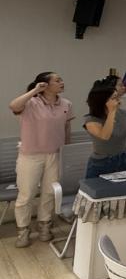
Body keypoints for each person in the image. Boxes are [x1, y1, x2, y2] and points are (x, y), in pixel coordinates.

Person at [8, 72, 74, 247]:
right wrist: (35, 91)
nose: (62, 82)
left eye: (61, 79)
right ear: (45, 84)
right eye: (57, 80)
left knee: (50, 193)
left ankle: (45, 226)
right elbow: (13, 105)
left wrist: (67, 150)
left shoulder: (66, 104)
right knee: (26, 194)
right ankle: (23, 231)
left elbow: (67, 128)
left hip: (55, 154)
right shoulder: (31, 102)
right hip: (30, 155)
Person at [84, 80, 126, 179]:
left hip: (124, 158)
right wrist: (111, 112)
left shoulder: (123, 113)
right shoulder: (91, 120)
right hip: (103, 163)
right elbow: (105, 136)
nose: (118, 100)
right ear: (103, 101)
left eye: (117, 97)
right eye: (114, 98)